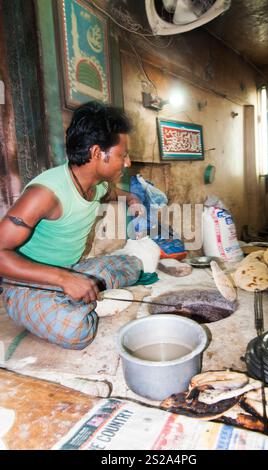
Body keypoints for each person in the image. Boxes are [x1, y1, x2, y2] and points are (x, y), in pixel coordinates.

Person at [0, 101, 144, 349]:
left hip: (71, 267)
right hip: (27, 282)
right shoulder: (45, 194)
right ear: (98, 153)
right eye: (122, 155)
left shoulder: (96, 184)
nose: (127, 162)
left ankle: (75, 296)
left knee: (133, 264)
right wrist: (63, 279)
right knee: (76, 331)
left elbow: (110, 193)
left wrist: (130, 198)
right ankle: (67, 301)